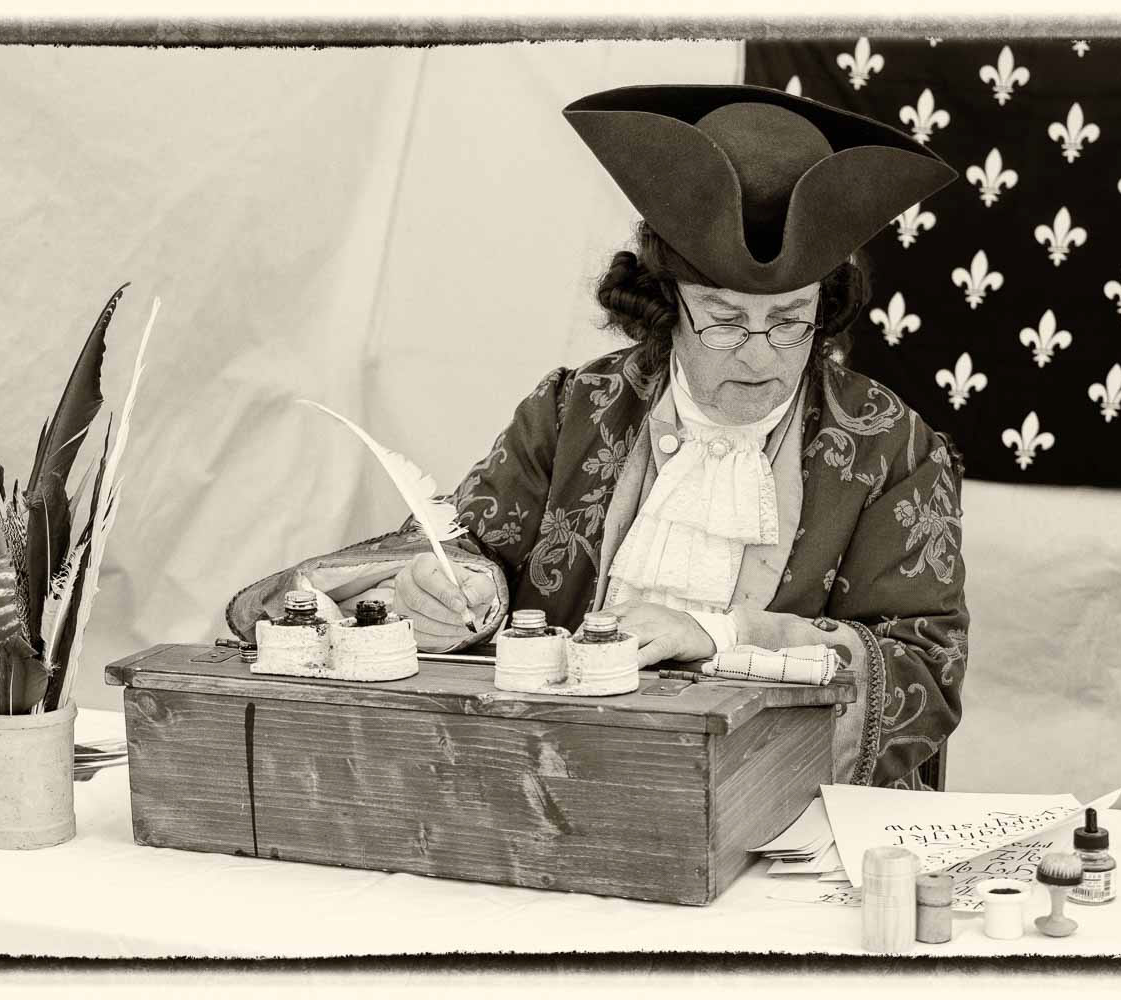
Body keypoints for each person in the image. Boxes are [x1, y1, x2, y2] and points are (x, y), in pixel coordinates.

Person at [228, 84, 968, 790]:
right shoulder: (574, 408)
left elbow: (924, 674)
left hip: (770, 805)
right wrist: (456, 595)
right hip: (552, 778)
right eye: (723, 319)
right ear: (664, 305)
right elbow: (470, 548)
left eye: (789, 321)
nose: (758, 355)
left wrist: (719, 634)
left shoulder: (892, 449)